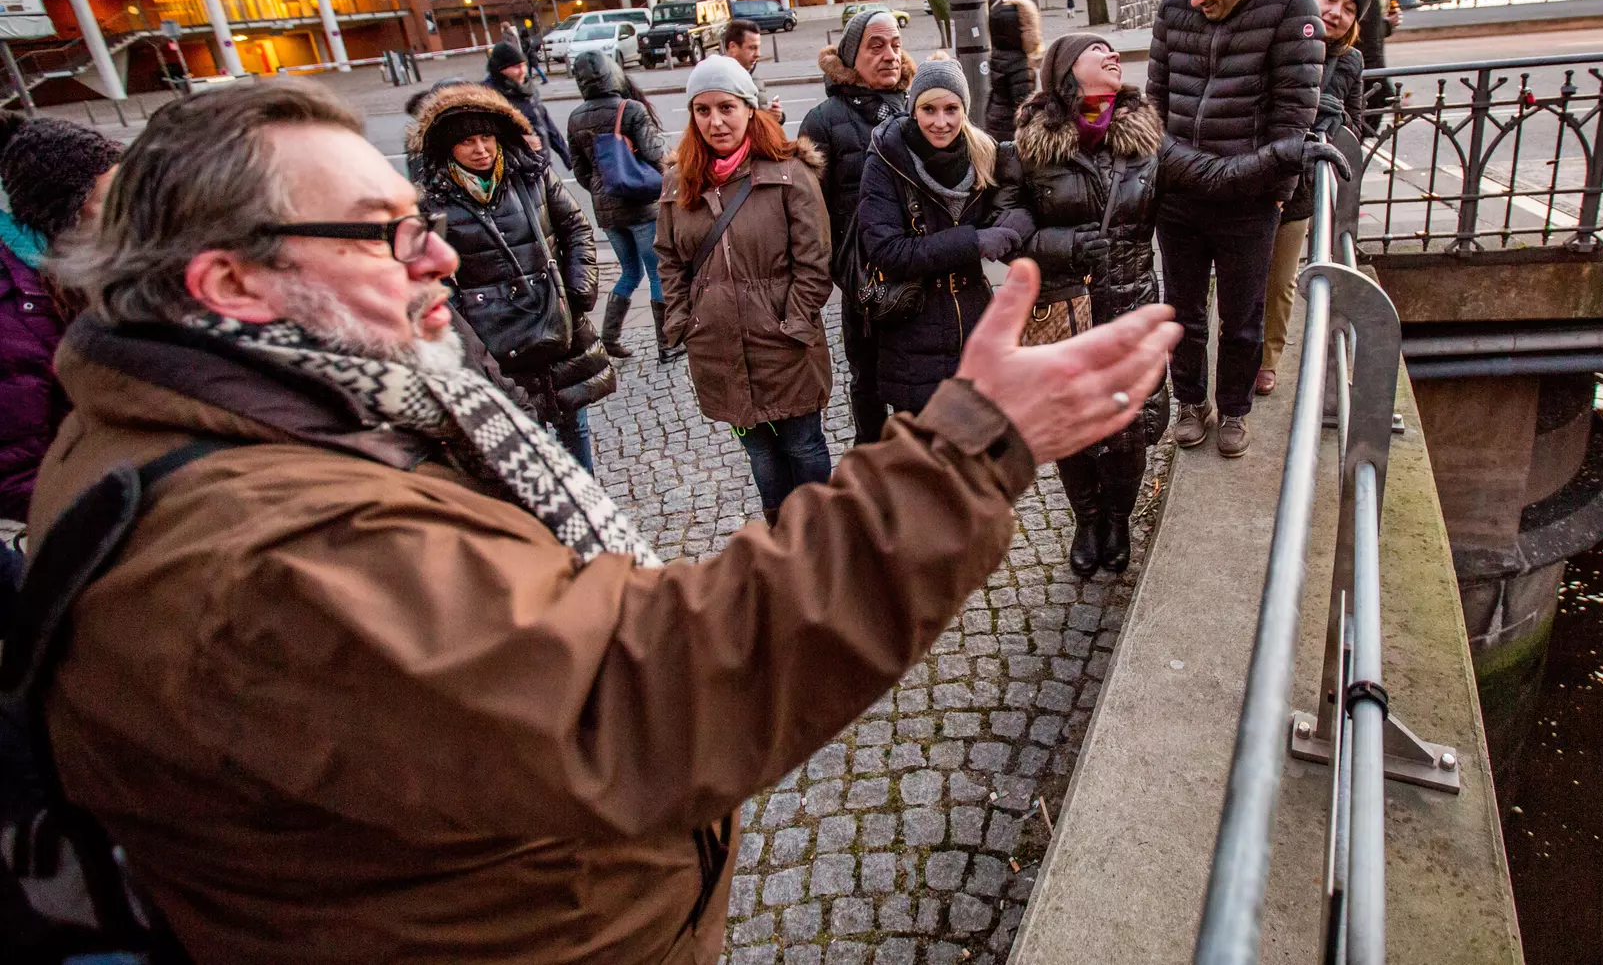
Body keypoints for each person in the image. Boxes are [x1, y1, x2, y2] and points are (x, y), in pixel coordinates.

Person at [27, 77, 1180, 964]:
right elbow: (641, 689)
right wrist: (972, 446)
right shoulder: (258, 562)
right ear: (229, 286)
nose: (438, 254)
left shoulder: (268, 409)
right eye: (383, 233)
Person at [1013, 33, 1344, 574]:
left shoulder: (1147, 140)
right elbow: (1009, 231)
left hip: (1130, 310)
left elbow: (1216, 175)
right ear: (1066, 69)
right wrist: (1063, 245)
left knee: (1128, 432)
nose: (1113, 55)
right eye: (1098, 51)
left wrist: (1288, 153)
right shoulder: (1030, 146)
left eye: (1113, 49)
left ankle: (1118, 520)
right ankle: (1087, 519)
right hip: (1065, 313)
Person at [1148, 0, 1325, 458]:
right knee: (1182, 311)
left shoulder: (1290, 7)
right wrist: (1173, 166)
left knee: (1243, 318)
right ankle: (1190, 403)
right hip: (1179, 194)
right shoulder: (1174, 10)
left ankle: (1234, 410)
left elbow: (1293, 118)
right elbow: (1155, 107)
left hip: (1249, 199)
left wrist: (1273, 191)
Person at [657, 55, 834, 521]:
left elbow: (815, 260)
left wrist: (794, 322)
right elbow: (669, 259)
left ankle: (823, 535)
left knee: (803, 445)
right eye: (703, 110)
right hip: (718, 346)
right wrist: (685, 321)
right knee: (760, 452)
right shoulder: (678, 182)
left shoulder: (788, 172)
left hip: (783, 344)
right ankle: (781, 535)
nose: (715, 122)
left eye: (727, 107)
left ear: (749, 109)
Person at [410, 82, 614, 470]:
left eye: (486, 137)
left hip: (556, 324)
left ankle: (585, 494)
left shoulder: (531, 175)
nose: (481, 149)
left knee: (574, 424)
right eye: (467, 141)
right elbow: (430, 275)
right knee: (526, 434)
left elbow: (574, 226)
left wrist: (578, 289)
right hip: (498, 341)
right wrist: (467, 325)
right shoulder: (432, 201)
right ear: (448, 147)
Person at [857, 56, 1023, 416]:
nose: (941, 122)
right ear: (913, 109)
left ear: (964, 109)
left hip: (976, 322)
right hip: (914, 332)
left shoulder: (983, 154)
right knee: (928, 445)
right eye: (928, 109)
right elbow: (887, 251)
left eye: (951, 109)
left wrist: (1013, 225)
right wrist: (973, 241)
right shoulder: (886, 160)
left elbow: (1015, 207)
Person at [1256, 0, 1374, 396]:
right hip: (1260, 174)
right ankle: (1239, 352)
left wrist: (1333, 117)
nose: (1336, 12)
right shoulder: (1282, 36)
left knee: (1281, 279)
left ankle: (1267, 360)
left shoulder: (1351, 61)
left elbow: (1355, 126)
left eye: (1349, 8)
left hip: (1302, 187)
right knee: (1246, 274)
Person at [798, 9, 915, 444]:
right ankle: (873, 461)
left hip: (920, 269)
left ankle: (917, 464)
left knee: (919, 376)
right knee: (868, 380)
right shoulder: (823, 120)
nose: (891, 56)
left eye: (896, 45)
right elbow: (809, 213)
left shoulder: (916, 105)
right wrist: (842, 271)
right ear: (851, 56)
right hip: (863, 281)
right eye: (876, 46)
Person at [0, 112, 119, 526]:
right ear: (67, 213)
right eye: (112, 200)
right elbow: (15, 473)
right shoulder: (15, 313)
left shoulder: (86, 272)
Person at [565, 49, 668, 362]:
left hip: (606, 211)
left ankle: (609, 337)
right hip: (640, 206)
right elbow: (656, 154)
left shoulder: (575, 117)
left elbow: (580, 171)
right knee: (657, 273)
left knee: (629, 272)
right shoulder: (631, 109)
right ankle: (668, 343)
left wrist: (603, 190)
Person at [483, 40, 570, 169]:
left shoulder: (528, 88)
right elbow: (486, 137)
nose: (522, 71)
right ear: (500, 69)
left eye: (523, 65)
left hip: (542, 163)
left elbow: (547, 124)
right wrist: (518, 142)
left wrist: (567, 156)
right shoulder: (489, 95)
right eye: (516, 67)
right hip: (515, 169)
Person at [985, 0, 1042, 143]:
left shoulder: (999, 53)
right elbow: (1024, 108)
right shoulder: (1020, 64)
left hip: (995, 120)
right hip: (1010, 130)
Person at [723, 16, 781, 120]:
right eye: (752, 48)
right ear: (733, 47)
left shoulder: (754, 73)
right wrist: (765, 118)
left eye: (758, 47)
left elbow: (759, 113)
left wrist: (775, 116)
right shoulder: (719, 80)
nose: (758, 54)